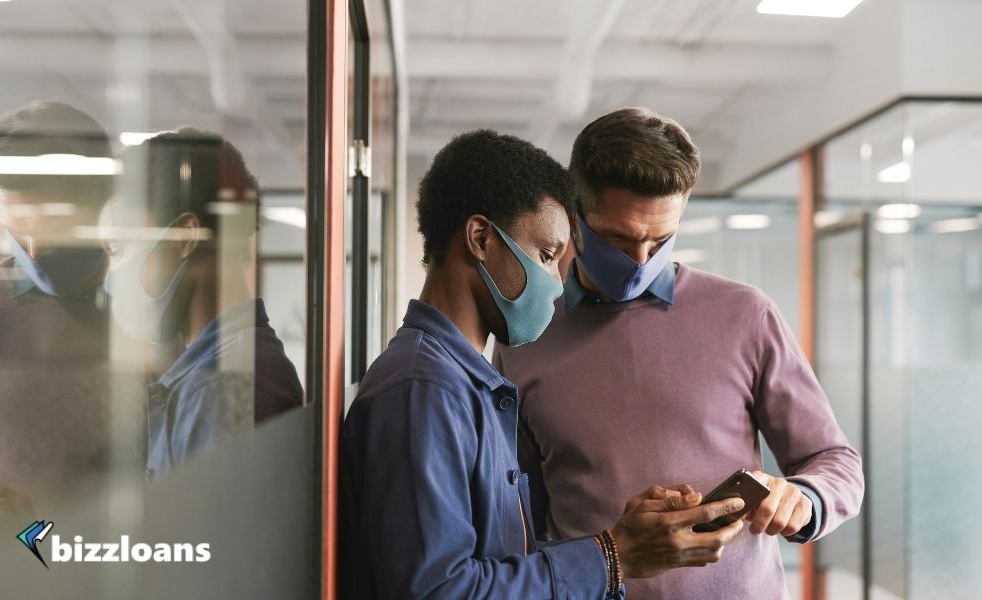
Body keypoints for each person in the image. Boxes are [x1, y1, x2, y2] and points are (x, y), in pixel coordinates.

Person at [339, 129, 748, 600]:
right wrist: (613, 554)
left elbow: (495, 562)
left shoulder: (467, 381)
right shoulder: (425, 391)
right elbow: (439, 592)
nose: (556, 284)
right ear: (480, 239)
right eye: (547, 255)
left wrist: (625, 541)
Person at [494, 107, 865, 599]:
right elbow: (518, 511)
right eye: (619, 238)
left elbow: (834, 460)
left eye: (661, 239)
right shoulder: (526, 333)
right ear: (573, 216)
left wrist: (804, 497)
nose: (640, 260)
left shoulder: (745, 315)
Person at [106, 127, 303, 477]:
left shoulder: (220, 390)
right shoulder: (220, 369)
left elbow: (198, 533)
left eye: (121, 248)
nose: (111, 277)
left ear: (185, 238)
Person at [0, 102, 129, 529]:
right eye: (15, 232)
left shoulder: (149, 312)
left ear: (102, 202)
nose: (32, 254)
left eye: (48, 233)